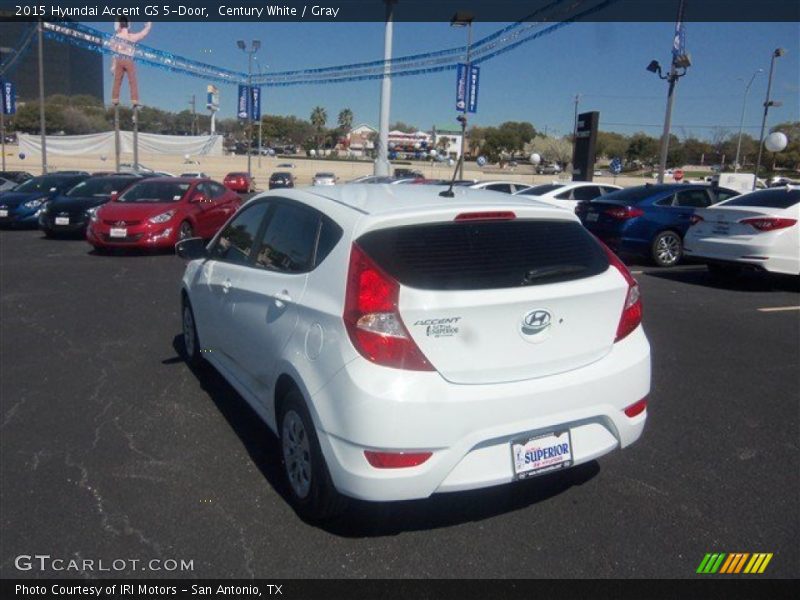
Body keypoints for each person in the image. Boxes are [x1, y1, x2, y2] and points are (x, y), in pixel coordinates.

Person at [110, 17, 152, 107]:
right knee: (132, 80)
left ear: (119, 25)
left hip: (119, 59)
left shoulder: (115, 37)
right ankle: (134, 99)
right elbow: (142, 34)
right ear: (128, 25)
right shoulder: (132, 36)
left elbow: (113, 52)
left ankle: (115, 98)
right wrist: (148, 26)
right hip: (129, 59)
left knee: (117, 80)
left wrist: (113, 65)